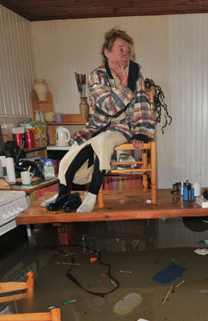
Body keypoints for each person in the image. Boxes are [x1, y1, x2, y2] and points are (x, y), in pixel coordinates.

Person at [47, 28, 155, 212]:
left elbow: (142, 103)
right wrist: (123, 82)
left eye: (127, 51)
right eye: (121, 49)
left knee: (101, 142)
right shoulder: (96, 75)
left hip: (123, 127)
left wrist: (141, 133)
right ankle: (64, 193)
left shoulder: (135, 73)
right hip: (97, 125)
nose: (125, 55)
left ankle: (92, 195)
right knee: (69, 156)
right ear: (107, 52)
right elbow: (109, 107)